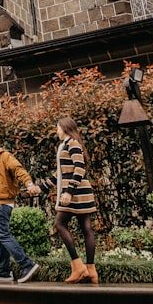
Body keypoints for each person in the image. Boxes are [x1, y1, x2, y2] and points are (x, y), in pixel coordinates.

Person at [39, 116, 98, 284]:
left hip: (76, 193)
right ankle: (91, 271)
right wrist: (42, 187)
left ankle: (79, 267)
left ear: (64, 128)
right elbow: (61, 173)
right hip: (79, 192)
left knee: (60, 224)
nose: (56, 131)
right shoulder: (65, 145)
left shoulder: (72, 143)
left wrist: (69, 191)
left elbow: (79, 168)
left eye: (57, 127)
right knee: (86, 227)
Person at [0, 132, 42, 284]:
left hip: (2, 202)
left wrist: (29, 183)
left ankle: (27, 264)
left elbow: (18, 169)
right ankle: (4, 271)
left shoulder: (5, 156)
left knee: (2, 235)